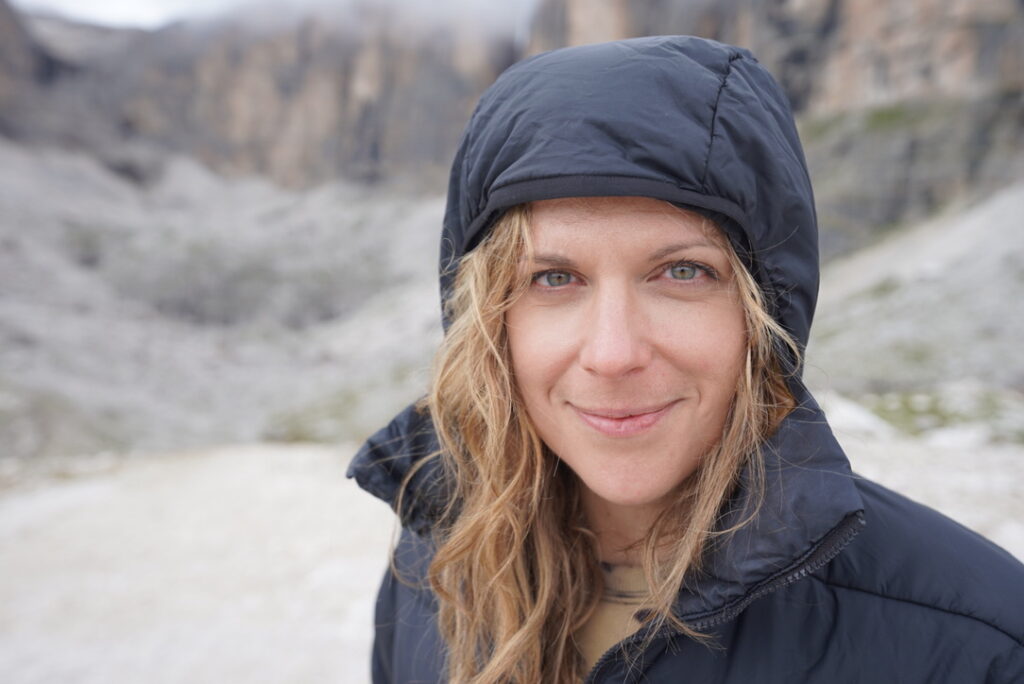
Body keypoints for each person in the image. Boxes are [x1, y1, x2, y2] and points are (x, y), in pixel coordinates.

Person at [348, 35, 1024, 683]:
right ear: (486, 324)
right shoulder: (435, 573)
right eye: (554, 278)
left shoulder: (975, 646)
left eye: (682, 272)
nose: (613, 354)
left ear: (767, 311)